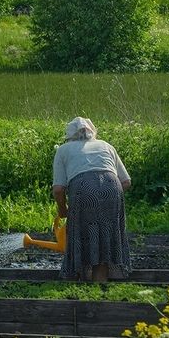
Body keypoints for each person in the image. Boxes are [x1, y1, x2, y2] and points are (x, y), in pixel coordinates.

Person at [52, 117, 131, 282]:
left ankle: (84, 284)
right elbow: (126, 182)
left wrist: (63, 210)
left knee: (82, 233)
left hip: (82, 188)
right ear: (92, 132)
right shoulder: (106, 146)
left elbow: (59, 189)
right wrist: (108, 198)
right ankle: (99, 283)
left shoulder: (64, 149)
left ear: (70, 135)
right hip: (112, 185)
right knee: (105, 236)